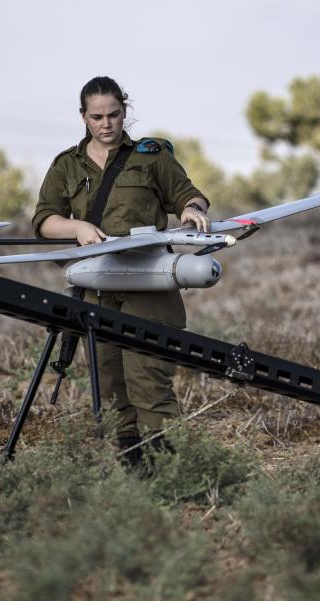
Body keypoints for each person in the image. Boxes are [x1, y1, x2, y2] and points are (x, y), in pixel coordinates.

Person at [32, 76, 210, 459]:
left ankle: (169, 470)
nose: (106, 124)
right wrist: (76, 226)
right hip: (97, 285)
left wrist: (193, 210)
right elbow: (45, 219)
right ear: (83, 117)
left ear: (124, 112)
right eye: (96, 117)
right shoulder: (66, 164)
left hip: (149, 283)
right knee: (110, 384)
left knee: (147, 378)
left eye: (114, 114)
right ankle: (134, 469)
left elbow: (187, 194)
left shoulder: (151, 156)